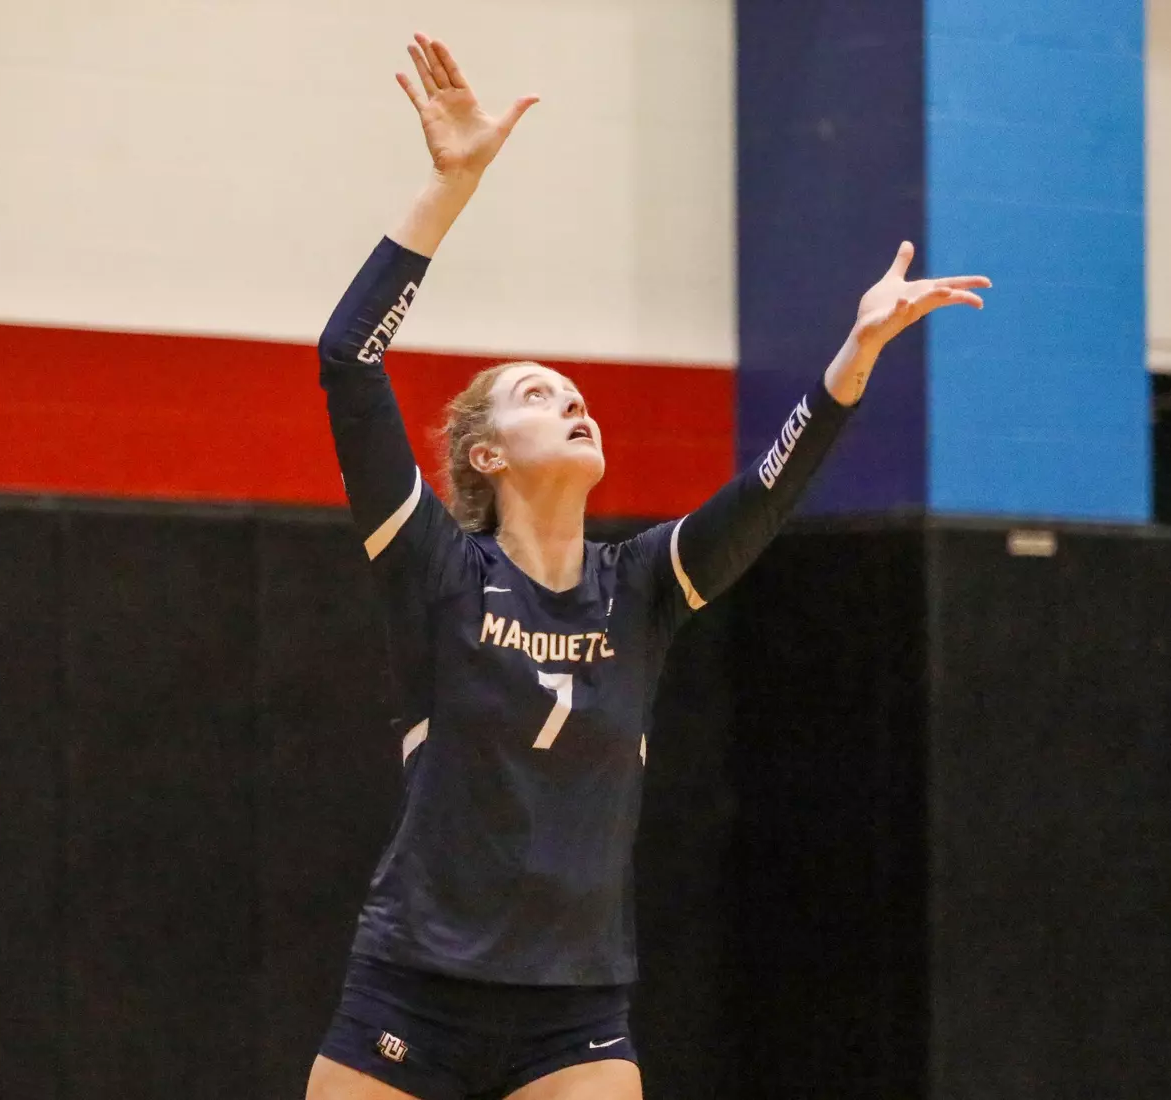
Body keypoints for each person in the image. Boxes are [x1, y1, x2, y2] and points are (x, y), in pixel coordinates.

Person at [306, 33, 990, 1100]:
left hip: (573, 1013)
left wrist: (851, 362)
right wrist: (451, 186)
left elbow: (762, 493)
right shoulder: (435, 566)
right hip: (411, 989)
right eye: (538, 394)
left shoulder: (640, 587)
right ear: (483, 454)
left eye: (576, 391)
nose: (573, 400)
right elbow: (347, 358)